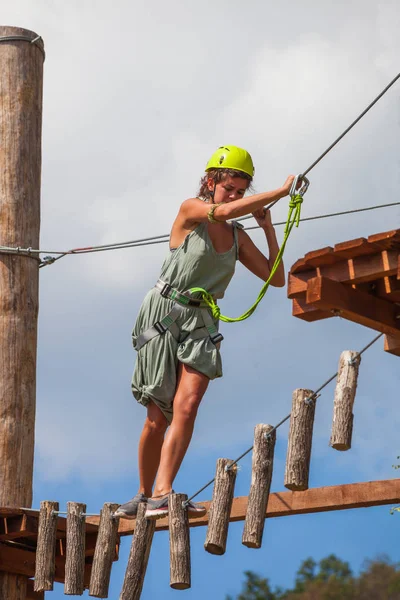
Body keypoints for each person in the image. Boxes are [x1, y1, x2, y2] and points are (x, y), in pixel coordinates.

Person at [115, 145, 295, 520]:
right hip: (166, 311)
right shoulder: (191, 211)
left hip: (201, 321)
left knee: (189, 404)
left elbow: (276, 278)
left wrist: (267, 226)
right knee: (157, 415)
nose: (233, 196)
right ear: (212, 181)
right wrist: (278, 192)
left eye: (240, 192)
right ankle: (143, 492)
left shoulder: (237, 235)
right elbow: (223, 211)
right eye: (229, 188)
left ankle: (163, 492)